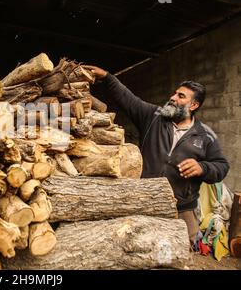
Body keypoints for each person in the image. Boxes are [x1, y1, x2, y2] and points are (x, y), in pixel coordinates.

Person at [88, 66, 230, 244]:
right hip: (144, 200)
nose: (172, 97)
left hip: (181, 209)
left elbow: (222, 166)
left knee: (181, 252)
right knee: (136, 246)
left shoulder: (206, 135)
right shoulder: (153, 117)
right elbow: (127, 98)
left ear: (194, 105)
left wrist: (203, 167)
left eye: (181, 96)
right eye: (174, 93)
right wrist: (107, 77)